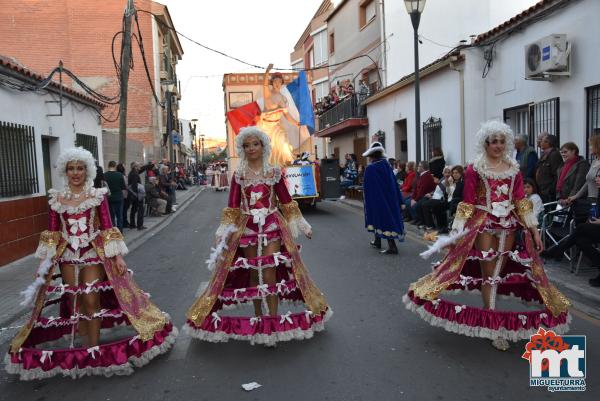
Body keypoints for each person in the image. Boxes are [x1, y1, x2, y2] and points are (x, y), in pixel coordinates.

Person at [5, 148, 176, 380]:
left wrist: (117, 256)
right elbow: (53, 233)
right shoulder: (56, 198)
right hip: (66, 256)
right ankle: (83, 345)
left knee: (91, 296)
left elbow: (107, 226)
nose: (76, 172)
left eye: (80, 168)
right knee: (75, 301)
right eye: (71, 168)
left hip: (93, 252)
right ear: (65, 171)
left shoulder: (98, 195)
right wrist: (44, 264)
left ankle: (92, 351)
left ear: (88, 170)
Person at [404, 121, 570, 351]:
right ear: (486, 143)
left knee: (498, 272)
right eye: (494, 142)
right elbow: (468, 201)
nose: (499, 146)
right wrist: (456, 231)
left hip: (509, 225)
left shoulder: (514, 169)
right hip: (483, 224)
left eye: (503, 142)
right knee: (489, 273)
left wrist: (534, 229)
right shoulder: (475, 169)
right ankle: (493, 326)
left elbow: (521, 201)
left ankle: (488, 315)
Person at [183, 126, 331, 345]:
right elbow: (232, 207)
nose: (251, 148)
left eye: (255, 144)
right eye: (247, 145)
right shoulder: (239, 175)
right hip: (248, 228)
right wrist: (222, 231)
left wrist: (302, 223)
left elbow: (286, 200)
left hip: (271, 224)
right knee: (254, 273)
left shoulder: (274, 172)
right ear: (243, 149)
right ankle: (258, 319)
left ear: (263, 146)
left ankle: (271, 323)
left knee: (269, 272)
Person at [362, 142, 404, 254]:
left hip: (377, 199)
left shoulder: (370, 169)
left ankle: (392, 247)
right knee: (385, 218)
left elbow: (367, 187)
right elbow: (394, 183)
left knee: (384, 219)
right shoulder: (386, 165)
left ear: (372, 156)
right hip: (390, 197)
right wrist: (400, 199)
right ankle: (377, 241)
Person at [257, 64, 301, 166]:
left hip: (277, 127)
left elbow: (286, 115)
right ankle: (268, 169)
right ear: (272, 83)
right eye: (275, 81)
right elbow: (264, 85)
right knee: (268, 151)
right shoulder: (268, 94)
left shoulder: (283, 98)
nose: (278, 83)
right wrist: (267, 71)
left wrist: (296, 122)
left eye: (280, 82)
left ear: (282, 83)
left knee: (284, 146)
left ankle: (288, 168)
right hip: (266, 127)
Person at [563, 135, 600, 220]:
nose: (589, 147)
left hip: (597, 199)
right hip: (590, 199)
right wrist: (575, 196)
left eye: (591, 145)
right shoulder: (594, 161)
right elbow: (588, 182)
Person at [536, 133, 563, 203]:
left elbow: (557, 174)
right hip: (542, 190)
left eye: (545, 141)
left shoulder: (554, 155)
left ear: (551, 143)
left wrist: (550, 190)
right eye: (542, 141)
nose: (541, 143)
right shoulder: (544, 154)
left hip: (549, 192)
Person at [104, 160, 126, 232]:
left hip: (109, 198)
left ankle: (114, 232)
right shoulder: (119, 175)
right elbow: (123, 187)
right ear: (115, 166)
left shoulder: (105, 175)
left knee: (111, 216)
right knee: (119, 216)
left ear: (108, 166)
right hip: (118, 197)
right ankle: (120, 231)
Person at [128, 162, 147, 230]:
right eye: (139, 166)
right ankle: (140, 225)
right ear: (135, 167)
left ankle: (132, 224)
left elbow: (142, 169)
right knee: (140, 210)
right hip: (137, 195)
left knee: (134, 209)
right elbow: (134, 185)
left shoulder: (132, 172)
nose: (140, 167)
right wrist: (138, 195)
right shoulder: (135, 174)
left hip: (133, 194)